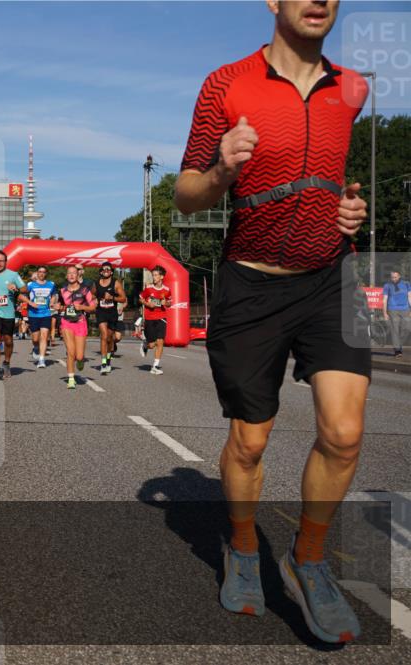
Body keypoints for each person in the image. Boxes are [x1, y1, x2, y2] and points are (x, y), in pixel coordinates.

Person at [174, 0, 370, 643]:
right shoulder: (226, 84)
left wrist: (351, 211)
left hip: (329, 280)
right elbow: (185, 194)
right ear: (273, 2)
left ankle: (308, 559)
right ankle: (241, 545)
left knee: (343, 434)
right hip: (252, 284)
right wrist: (223, 168)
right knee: (251, 442)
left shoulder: (354, 88)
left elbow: (336, 180)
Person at [0, 250, 28, 380]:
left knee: (8, 340)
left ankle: (6, 362)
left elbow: (25, 288)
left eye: (1, 261)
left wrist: (16, 288)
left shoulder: (13, 275)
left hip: (8, 313)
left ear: (6, 262)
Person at [57, 266, 96, 388]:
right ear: (66, 276)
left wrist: (82, 307)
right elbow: (59, 305)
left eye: (74, 273)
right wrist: (57, 307)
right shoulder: (62, 291)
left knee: (79, 356)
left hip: (80, 323)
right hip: (66, 322)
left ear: (78, 275)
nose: (72, 275)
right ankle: (71, 379)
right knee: (71, 352)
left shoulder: (85, 290)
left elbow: (93, 307)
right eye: (69, 273)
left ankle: (80, 361)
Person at [93, 262, 126, 374]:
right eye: (104, 269)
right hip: (101, 312)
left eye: (108, 269)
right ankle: (103, 363)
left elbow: (123, 299)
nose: (106, 270)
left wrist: (112, 297)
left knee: (110, 338)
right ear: (101, 271)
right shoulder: (96, 283)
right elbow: (92, 295)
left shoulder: (115, 283)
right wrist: (94, 300)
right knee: (104, 335)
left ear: (111, 272)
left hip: (112, 313)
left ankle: (108, 360)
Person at [139, 265, 172, 375]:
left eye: (156, 275)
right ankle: (145, 344)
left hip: (162, 317)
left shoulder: (167, 290)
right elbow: (140, 298)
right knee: (152, 345)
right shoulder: (148, 288)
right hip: (149, 318)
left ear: (161, 277)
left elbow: (170, 302)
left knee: (160, 341)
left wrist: (165, 303)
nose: (154, 277)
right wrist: (147, 303)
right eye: (153, 275)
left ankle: (155, 366)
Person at [26, 266, 58, 368]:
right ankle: (35, 347)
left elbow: (53, 295)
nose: (41, 274)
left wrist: (52, 303)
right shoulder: (30, 285)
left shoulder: (51, 284)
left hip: (46, 314)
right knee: (35, 339)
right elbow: (22, 296)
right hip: (33, 314)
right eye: (40, 272)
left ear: (46, 274)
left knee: (44, 336)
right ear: (37, 273)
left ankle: (41, 359)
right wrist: (30, 303)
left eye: (44, 272)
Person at [382, 269, 410, 358]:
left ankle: (399, 344)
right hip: (392, 309)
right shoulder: (387, 285)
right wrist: (385, 312)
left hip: (405, 309)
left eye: (395, 277)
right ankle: (397, 350)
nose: (393, 279)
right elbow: (384, 300)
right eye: (392, 277)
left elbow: (410, 296)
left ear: (399, 276)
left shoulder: (406, 284)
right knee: (395, 330)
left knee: (407, 328)